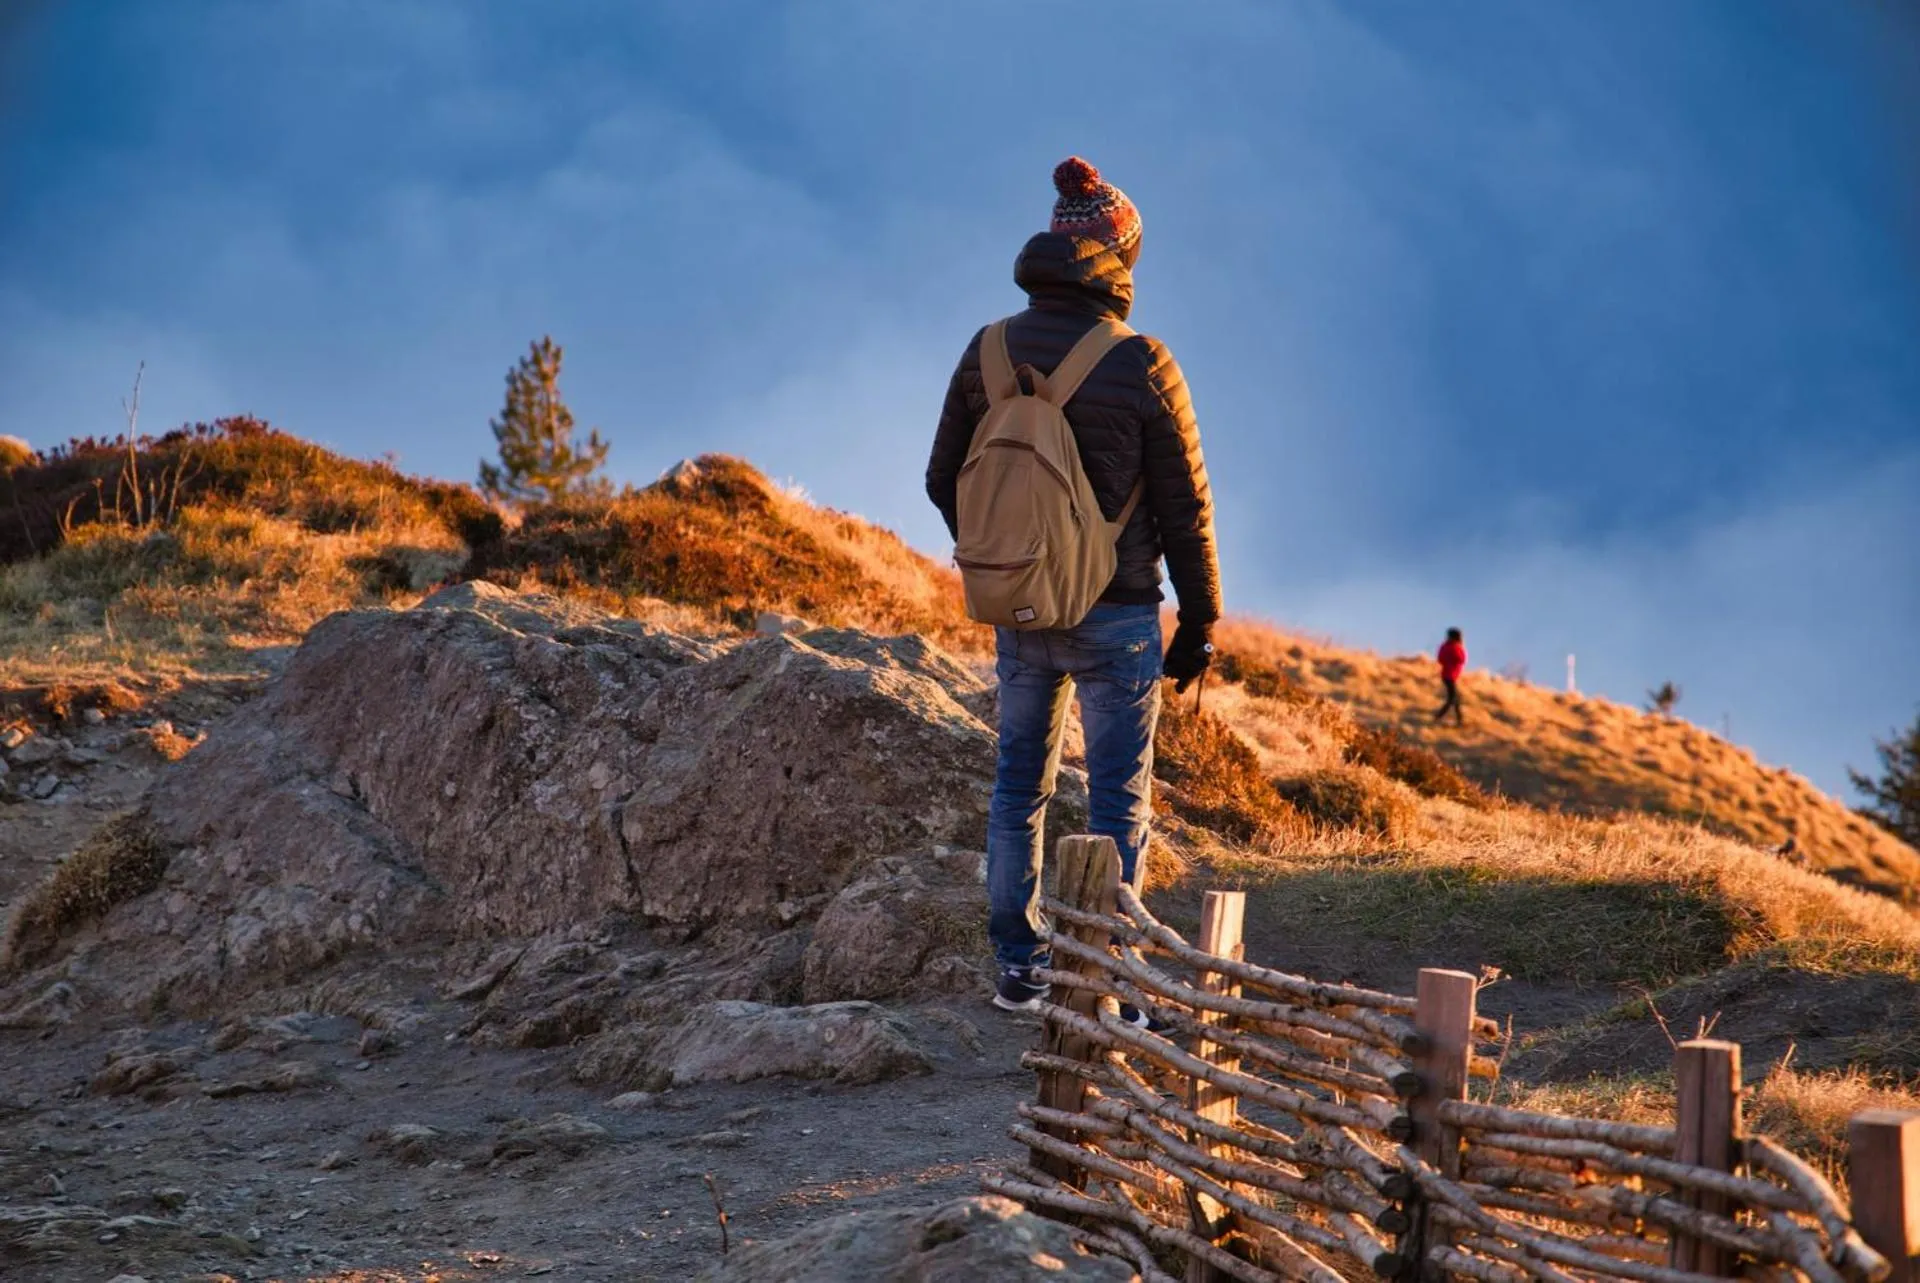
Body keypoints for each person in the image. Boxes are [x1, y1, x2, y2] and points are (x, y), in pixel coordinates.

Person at [926, 157, 1222, 1014]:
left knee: (1020, 786)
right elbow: (1185, 507)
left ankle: (1019, 967)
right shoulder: (1143, 363)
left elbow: (944, 477)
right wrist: (1198, 621)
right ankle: (1104, 978)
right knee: (1116, 800)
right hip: (1119, 613)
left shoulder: (986, 350)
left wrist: (1008, 557)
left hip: (1019, 613)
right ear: (1117, 259)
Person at [1434, 627, 1467, 726]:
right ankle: (1438, 716)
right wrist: (1461, 647)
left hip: (1447, 675)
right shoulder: (1455, 647)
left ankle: (1460, 720)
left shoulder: (1444, 646)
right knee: (1452, 699)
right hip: (1450, 676)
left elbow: (1440, 659)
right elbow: (1462, 659)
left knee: (1456, 698)